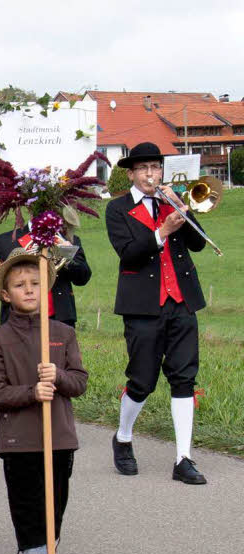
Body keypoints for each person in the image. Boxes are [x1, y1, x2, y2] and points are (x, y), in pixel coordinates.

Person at [0, 249, 87, 554]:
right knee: (29, 514)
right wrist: (31, 392)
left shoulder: (63, 334)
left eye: (35, 284)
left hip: (59, 440)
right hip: (20, 444)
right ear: (6, 294)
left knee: (53, 514)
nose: (29, 290)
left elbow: (80, 382)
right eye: (20, 285)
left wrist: (56, 377)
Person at [105, 142, 209, 484]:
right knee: (143, 381)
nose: (152, 174)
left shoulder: (173, 200)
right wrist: (162, 231)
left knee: (184, 378)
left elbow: (198, 244)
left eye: (156, 167)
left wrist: (184, 210)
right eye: (144, 169)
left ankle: (183, 459)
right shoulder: (118, 209)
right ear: (132, 173)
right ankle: (123, 437)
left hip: (181, 302)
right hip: (142, 306)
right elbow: (128, 253)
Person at [0, 217, 91, 331]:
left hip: (59, 317)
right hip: (18, 318)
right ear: (29, 207)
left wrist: (68, 256)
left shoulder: (68, 239)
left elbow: (83, 278)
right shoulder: (5, 240)